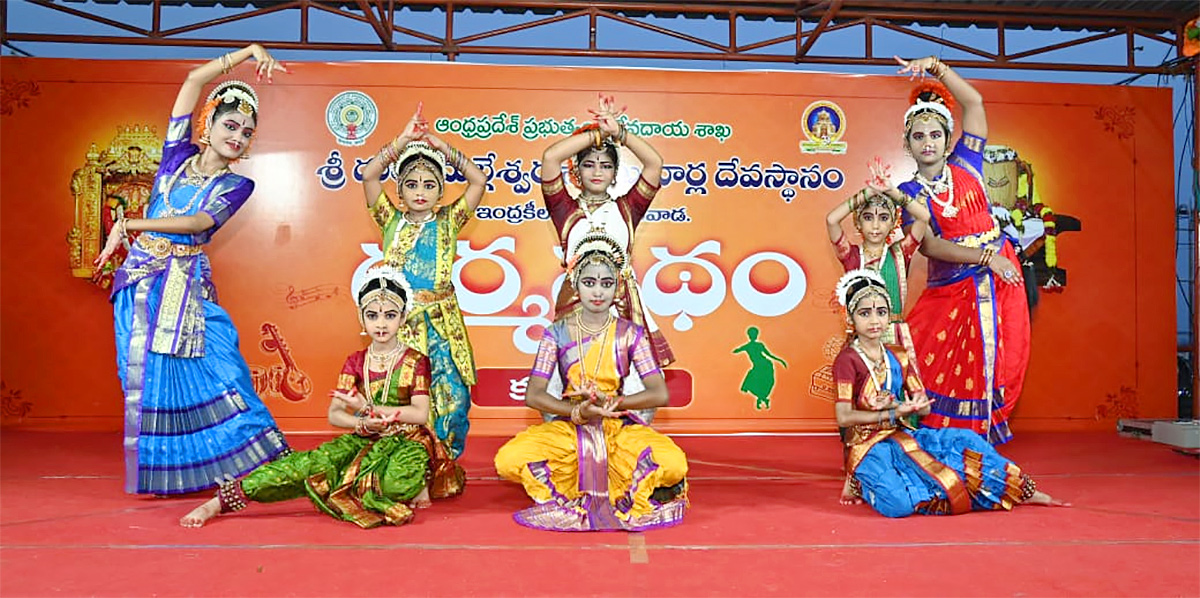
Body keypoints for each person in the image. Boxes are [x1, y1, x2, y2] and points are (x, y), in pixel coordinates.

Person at [95, 44, 290, 495]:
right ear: (208, 125)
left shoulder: (238, 184)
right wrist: (247, 53)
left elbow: (200, 223)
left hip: (187, 287)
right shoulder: (173, 160)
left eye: (246, 132)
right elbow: (192, 82)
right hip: (141, 283)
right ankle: (177, 472)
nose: (237, 136)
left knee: (224, 367)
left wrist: (130, 223)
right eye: (230, 124)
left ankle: (256, 460)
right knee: (144, 379)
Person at [180, 267, 465, 529]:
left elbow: (419, 414)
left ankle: (417, 477)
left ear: (403, 318)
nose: (381, 324)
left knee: (394, 487)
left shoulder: (416, 360)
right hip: (366, 437)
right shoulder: (356, 361)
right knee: (307, 465)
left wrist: (366, 407)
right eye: (373, 315)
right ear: (361, 317)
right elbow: (335, 414)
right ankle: (219, 502)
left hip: (408, 441)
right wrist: (362, 425)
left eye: (390, 315)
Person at [494, 233, 688, 532]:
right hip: (571, 427)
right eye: (589, 282)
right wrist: (575, 412)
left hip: (618, 428)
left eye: (606, 284)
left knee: (674, 464)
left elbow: (659, 392)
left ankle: (610, 483)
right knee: (508, 460)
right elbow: (534, 394)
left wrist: (615, 404)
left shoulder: (631, 333)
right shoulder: (556, 333)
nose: (597, 292)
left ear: (618, 288)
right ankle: (602, 485)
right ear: (575, 284)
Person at [832, 270, 1066, 517]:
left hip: (901, 437)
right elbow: (844, 417)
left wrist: (916, 405)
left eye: (881, 312)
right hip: (866, 447)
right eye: (865, 313)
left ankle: (1021, 491)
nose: (874, 321)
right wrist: (891, 412)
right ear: (851, 318)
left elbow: (923, 407)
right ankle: (859, 479)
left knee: (967, 441)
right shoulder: (847, 360)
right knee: (897, 506)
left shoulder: (898, 355)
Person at [892, 55, 1030, 444]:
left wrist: (936, 67)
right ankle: (938, 436)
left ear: (947, 137)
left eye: (935, 134)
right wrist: (987, 258)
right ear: (907, 144)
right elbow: (931, 246)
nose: (928, 142)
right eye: (918, 137)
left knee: (996, 357)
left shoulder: (967, 163)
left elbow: (974, 103)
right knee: (926, 355)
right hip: (954, 284)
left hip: (1000, 279)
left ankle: (978, 441)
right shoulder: (908, 194)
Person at [359, 105, 487, 459]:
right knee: (403, 393)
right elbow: (370, 176)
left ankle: (444, 461)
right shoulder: (390, 220)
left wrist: (439, 146)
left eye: (429, 185)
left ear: (441, 191)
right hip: (402, 323)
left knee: (453, 396)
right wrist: (402, 142)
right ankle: (407, 460)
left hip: (444, 324)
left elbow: (478, 181)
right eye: (411, 184)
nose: (420, 192)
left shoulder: (449, 220)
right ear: (399, 190)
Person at [540, 94, 673, 369]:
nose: (597, 172)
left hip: (621, 305)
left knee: (626, 386)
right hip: (576, 306)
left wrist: (619, 134)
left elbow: (654, 164)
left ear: (615, 173)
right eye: (589, 164)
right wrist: (598, 134)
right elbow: (551, 157)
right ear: (576, 170)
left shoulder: (628, 209)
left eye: (606, 165)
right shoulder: (564, 210)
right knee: (576, 380)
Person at [732, 326, 788, 410]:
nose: (753, 336)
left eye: (754, 334)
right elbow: (736, 351)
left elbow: (769, 355)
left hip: (765, 365)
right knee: (752, 383)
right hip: (760, 366)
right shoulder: (748, 346)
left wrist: (780, 360)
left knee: (765, 382)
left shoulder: (755, 345)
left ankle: (762, 399)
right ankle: (763, 399)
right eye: (752, 334)